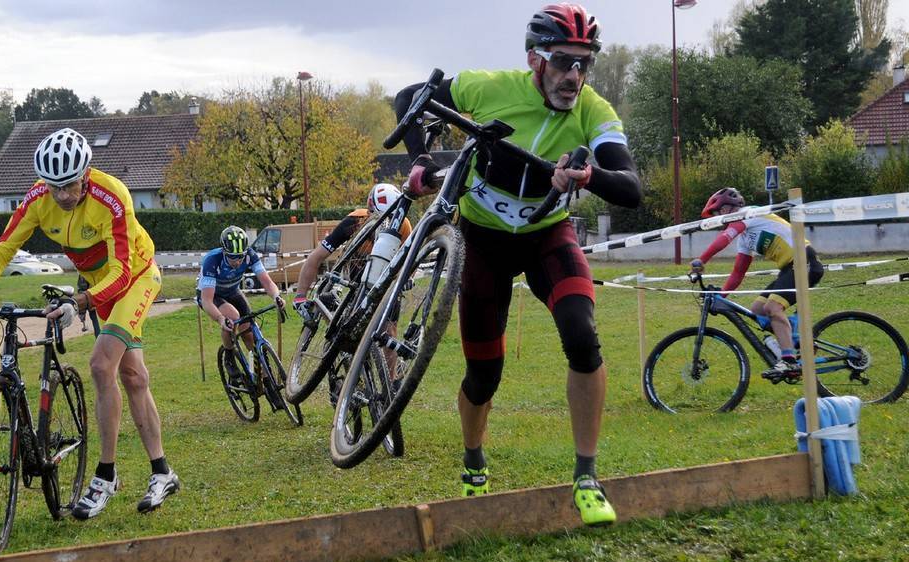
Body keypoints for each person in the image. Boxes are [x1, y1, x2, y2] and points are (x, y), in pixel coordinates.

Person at [394, 3, 641, 526]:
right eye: (562, 62)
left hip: (545, 235)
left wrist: (586, 177)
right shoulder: (489, 87)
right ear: (535, 59)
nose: (573, 76)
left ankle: (587, 476)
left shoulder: (593, 109)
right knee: (485, 374)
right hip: (481, 240)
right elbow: (406, 99)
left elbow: (632, 187)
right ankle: (474, 458)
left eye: (584, 63)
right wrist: (421, 159)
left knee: (582, 334)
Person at [0, 127, 180, 520]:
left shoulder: (113, 196)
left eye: (70, 185)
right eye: (55, 187)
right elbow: (4, 247)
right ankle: (163, 472)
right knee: (134, 376)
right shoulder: (39, 198)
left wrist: (82, 299)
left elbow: (121, 271)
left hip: (135, 278)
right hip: (95, 284)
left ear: (86, 174)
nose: (63, 196)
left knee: (102, 365)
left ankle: (105, 477)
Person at [691, 187, 825, 378]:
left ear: (732, 207)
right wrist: (721, 298)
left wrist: (702, 260)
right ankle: (797, 338)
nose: (718, 218)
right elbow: (738, 273)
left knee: (772, 308)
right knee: (757, 310)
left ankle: (789, 362)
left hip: (805, 261)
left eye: (719, 212)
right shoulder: (744, 238)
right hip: (789, 268)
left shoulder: (749, 213)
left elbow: (724, 239)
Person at [293, 183, 411, 314]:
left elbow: (410, 260)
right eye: (380, 218)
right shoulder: (355, 220)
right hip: (356, 271)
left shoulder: (403, 226)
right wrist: (300, 296)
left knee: (389, 324)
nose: (385, 224)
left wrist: (407, 277)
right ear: (369, 212)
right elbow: (316, 257)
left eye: (390, 218)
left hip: (385, 274)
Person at [197, 226, 286, 380]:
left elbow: (267, 281)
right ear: (224, 252)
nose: (237, 261)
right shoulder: (212, 260)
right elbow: (207, 301)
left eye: (240, 257)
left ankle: (261, 375)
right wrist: (220, 319)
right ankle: (229, 357)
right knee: (232, 316)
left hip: (232, 291)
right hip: (211, 296)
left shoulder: (250, 255)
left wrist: (277, 297)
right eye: (232, 257)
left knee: (249, 333)